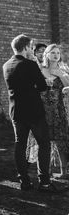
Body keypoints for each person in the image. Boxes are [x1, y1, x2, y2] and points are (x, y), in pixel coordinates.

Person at [3, 34, 58, 191]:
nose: (32, 50)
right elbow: (41, 87)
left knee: (20, 144)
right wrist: (44, 84)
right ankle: (44, 181)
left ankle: (24, 181)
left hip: (16, 110)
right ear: (26, 47)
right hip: (33, 111)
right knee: (44, 143)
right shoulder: (30, 64)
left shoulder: (6, 65)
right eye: (31, 47)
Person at [39, 44, 69, 178]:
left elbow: (68, 86)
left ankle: (64, 171)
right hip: (43, 109)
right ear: (46, 55)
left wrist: (61, 76)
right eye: (53, 53)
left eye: (57, 53)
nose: (56, 55)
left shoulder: (63, 69)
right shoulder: (40, 69)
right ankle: (47, 170)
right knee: (45, 140)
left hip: (59, 109)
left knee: (60, 139)